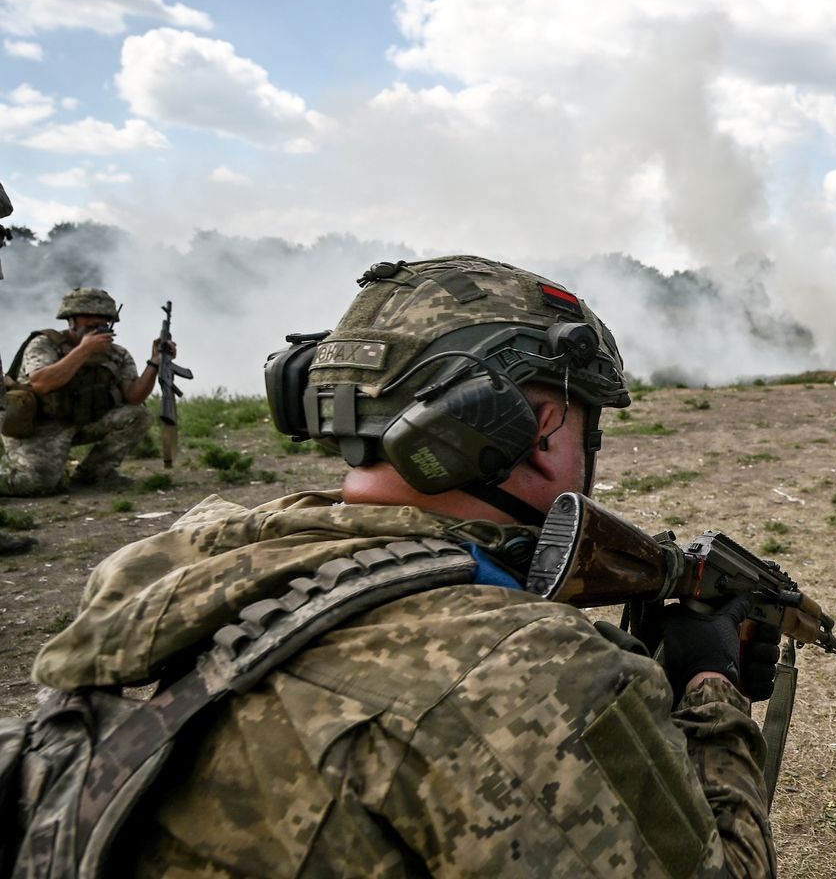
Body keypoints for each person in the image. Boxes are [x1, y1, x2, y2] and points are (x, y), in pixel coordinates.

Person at [29, 255, 775, 877]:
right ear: (545, 426)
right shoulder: (529, 672)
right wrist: (711, 693)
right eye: (588, 422)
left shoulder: (185, 562)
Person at [1, 287, 170, 494]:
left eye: (103, 319)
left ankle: (95, 473)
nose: (96, 323)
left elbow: (133, 396)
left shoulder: (116, 354)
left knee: (139, 415)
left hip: (81, 421)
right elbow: (42, 383)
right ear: (71, 320)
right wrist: (84, 350)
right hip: (39, 426)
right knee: (34, 484)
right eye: (88, 317)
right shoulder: (45, 344)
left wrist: (154, 363)